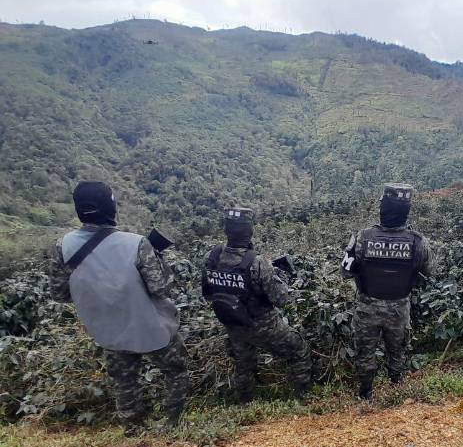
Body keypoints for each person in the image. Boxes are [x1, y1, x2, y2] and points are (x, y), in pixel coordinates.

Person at [48, 181, 188, 428]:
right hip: (150, 325)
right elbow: (160, 288)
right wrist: (163, 261)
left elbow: (60, 294)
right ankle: (173, 424)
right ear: (110, 207)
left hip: (107, 330)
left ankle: (133, 429)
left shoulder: (63, 246)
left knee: (124, 381)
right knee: (175, 371)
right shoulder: (136, 243)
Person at [201, 207, 312, 403]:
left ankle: (245, 405)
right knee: (298, 350)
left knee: (244, 365)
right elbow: (281, 299)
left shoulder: (214, 256)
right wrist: (281, 276)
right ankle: (303, 399)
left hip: (233, 324)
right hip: (262, 325)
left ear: (227, 230)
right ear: (249, 230)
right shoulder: (257, 262)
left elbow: (208, 293)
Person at [341, 183, 434, 400]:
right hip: (399, 309)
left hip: (367, 308)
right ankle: (396, 394)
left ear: (383, 209)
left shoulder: (363, 237)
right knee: (398, 352)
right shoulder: (417, 241)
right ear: (406, 211)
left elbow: (345, 272)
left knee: (365, 354)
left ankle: (365, 396)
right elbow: (431, 271)